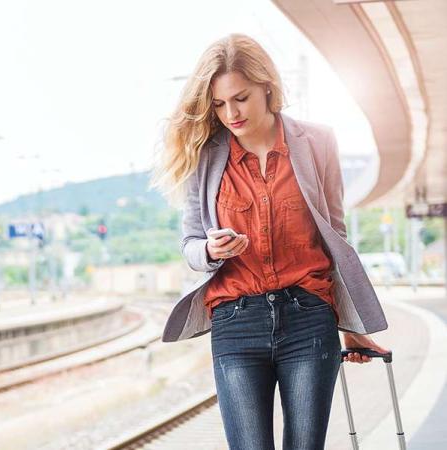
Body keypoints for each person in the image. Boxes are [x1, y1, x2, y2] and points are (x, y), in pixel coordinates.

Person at [151, 33, 391, 450]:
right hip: (235, 322)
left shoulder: (317, 143)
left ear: (267, 85)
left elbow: (335, 238)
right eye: (220, 104)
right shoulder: (205, 155)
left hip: (308, 319)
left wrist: (351, 326)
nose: (231, 113)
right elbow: (190, 242)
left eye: (240, 98)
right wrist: (210, 250)